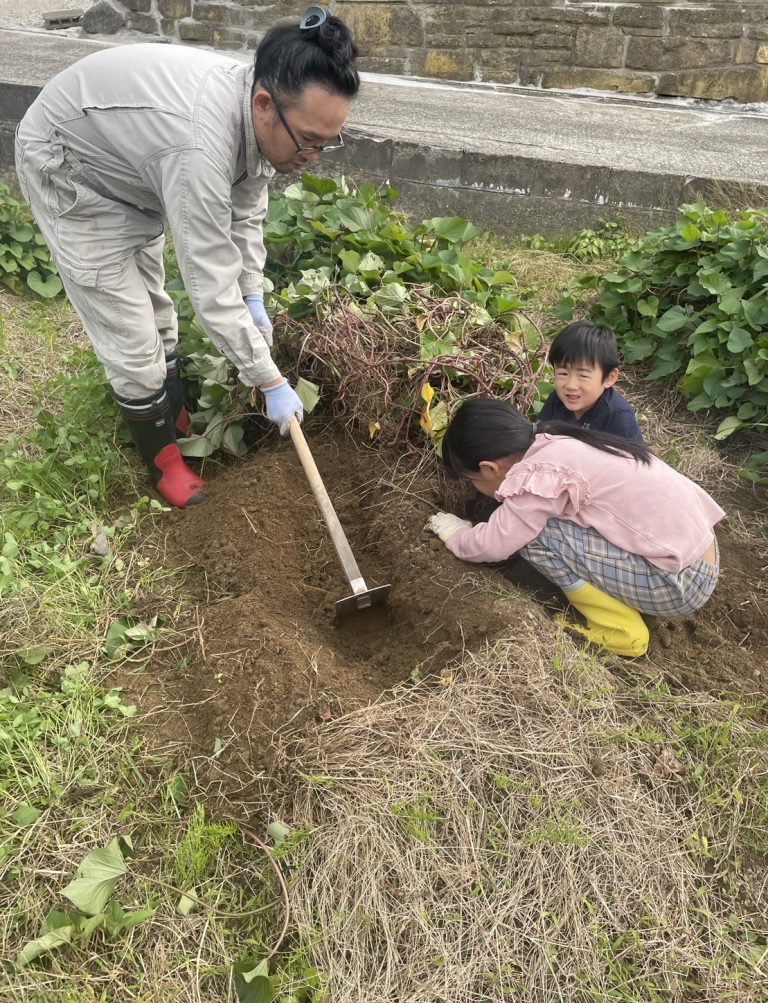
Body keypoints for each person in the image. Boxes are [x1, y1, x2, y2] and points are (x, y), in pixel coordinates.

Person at [14, 5, 359, 507]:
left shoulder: (255, 114)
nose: (311, 158)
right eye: (308, 141)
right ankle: (164, 462)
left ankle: (168, 412)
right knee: (131, 333)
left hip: (131, 168)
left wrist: (253, 293)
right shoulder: (199, 144)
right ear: (265, 103)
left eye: (327, 144)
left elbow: (245, 211)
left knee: (158, 310)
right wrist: (270, 380)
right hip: (73, 168)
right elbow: (208, 288)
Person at [426, 399, 723, 657]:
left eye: (473, 481)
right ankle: (628, 592)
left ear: (489, 468)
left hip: (679, 584)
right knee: (546, 520)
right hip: (696, 550)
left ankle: (619, 630)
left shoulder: (535, 480)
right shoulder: (556, 441)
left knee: (536, 534)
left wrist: (456, 534)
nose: (477, 489)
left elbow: (493, 544)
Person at [537, 320, 643, 440]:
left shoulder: (617, 416)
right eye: (563, 373)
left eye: (583, 375)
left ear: (609, 378)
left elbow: (630, 458)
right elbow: (539, 439)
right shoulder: (555, 401)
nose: (571, 385)